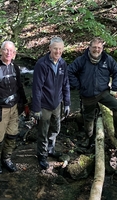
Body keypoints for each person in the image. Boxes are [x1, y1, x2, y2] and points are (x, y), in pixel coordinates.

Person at [67, 37, 117, 145]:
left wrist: (115, 86)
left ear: (102, 48)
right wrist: (78, 85)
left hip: (103, 92)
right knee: (88, 117)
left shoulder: (107, 59)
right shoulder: (82, 60)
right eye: (94, 47)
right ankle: (88, 138)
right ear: (89, 48)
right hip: (87, 94)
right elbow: (69, 71)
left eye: (99, 47)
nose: (97, 50)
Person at [0, 41, 29, 174]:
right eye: (6, 50)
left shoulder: (15, 67)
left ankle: (6, 158)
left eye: (11, 51)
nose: (9, 53)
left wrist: (25, 104)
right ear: (1, 51)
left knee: (12, 134)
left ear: (14, 53)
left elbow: (20, 87)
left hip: (14, 108)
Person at [31, 37, 71, 170]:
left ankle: (50, 149)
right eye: (55, 48)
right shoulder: (42, 65)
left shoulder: (62, 64)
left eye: (60, 49)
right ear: (49, 49)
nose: (57, 51)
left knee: (55, 128)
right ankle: (42, 156)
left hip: (57, 104)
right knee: (43, 131)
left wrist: (67, 103)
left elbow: (66, 84)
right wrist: (36, 109)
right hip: (44, 105)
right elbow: (37, 88)